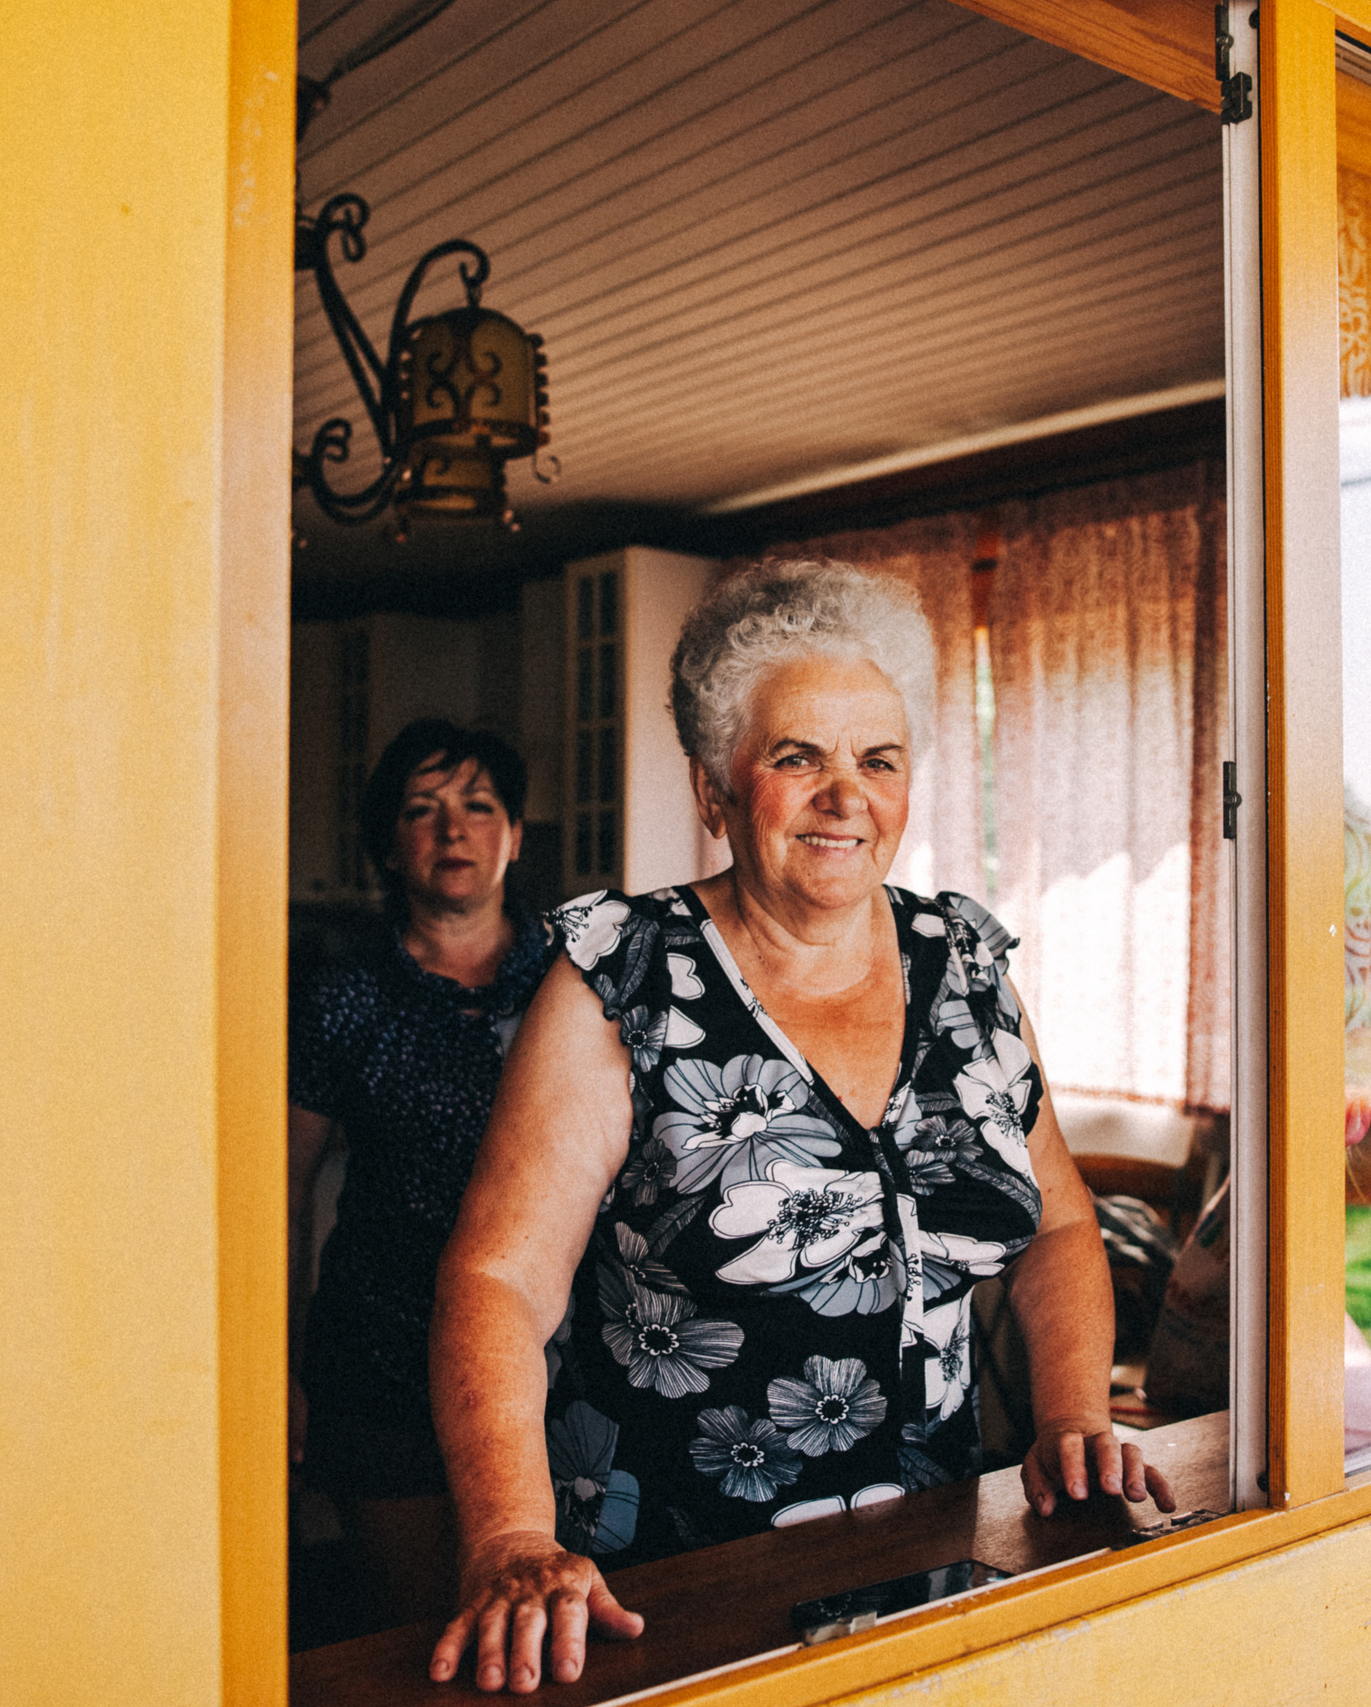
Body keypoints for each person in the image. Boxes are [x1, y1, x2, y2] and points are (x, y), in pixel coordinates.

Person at [428, 563, 1174, 1693]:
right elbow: (498, 1280)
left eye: (878, 759)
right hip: (670, 1581)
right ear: (713, 790)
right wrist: (512, 1540)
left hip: (929, 1558)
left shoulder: (965, 963)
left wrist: (1069, 1416)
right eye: (797, 758)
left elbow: (1058, 1228)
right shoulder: (623, 979)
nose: (846, 795)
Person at [288, 718, 557, 1633]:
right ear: (389, 848)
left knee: (548, 1630)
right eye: (423, 810)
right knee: (419, 1639)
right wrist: (273, 1369)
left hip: (560, 1365)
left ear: (515, 837)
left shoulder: (576, 973)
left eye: (480, 807)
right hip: (380, 1360)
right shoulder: (344, 997)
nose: (454, 831)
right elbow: (277, 1195)